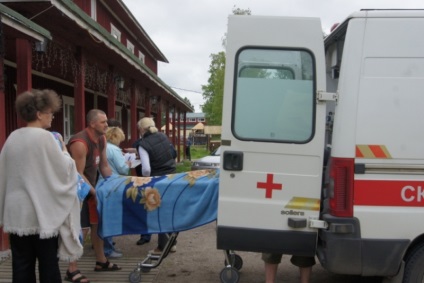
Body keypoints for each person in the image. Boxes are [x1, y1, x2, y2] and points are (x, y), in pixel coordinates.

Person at [0, 89, 83, 283]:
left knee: (21, 265)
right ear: (39, 114)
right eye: (50, 113)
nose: (52, 117)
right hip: (42, 213)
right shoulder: (46, 138)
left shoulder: (13, 137)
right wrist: (63, 149)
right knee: (48, 265)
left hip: (17, 213)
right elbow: (65, 170)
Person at [66, 109, 121, 282]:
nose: (107, 125)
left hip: (90, 187)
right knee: (80, 229)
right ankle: (71, 270)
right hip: (75, 190)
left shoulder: (102, 139)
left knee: (97, 223)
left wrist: (112, 184)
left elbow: (103, 166)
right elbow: (77, 173)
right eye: (103, 122)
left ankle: (101, 261)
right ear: (92, 123)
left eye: (106, 122)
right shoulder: (80, 142)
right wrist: (94, 192)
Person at [135, 117, 177, 253]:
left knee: (158, 212)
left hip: (157, 180)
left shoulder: (143, 144)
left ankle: (162, 246)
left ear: (141, 129)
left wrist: (145, 180)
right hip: (171, 177)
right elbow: (172, 154)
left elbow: (146, 169)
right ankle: (172, 243)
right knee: (169, 211)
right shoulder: (163, 137)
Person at [99, 126, 131, 258]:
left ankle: (106, 246)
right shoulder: (115, 149)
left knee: (103, 216)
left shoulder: (104, 148)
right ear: (116, 137)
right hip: (114, 184)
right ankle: (108, 248)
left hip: (102, 183)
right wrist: (128, 164)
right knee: (110, 217)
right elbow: (123, 169)